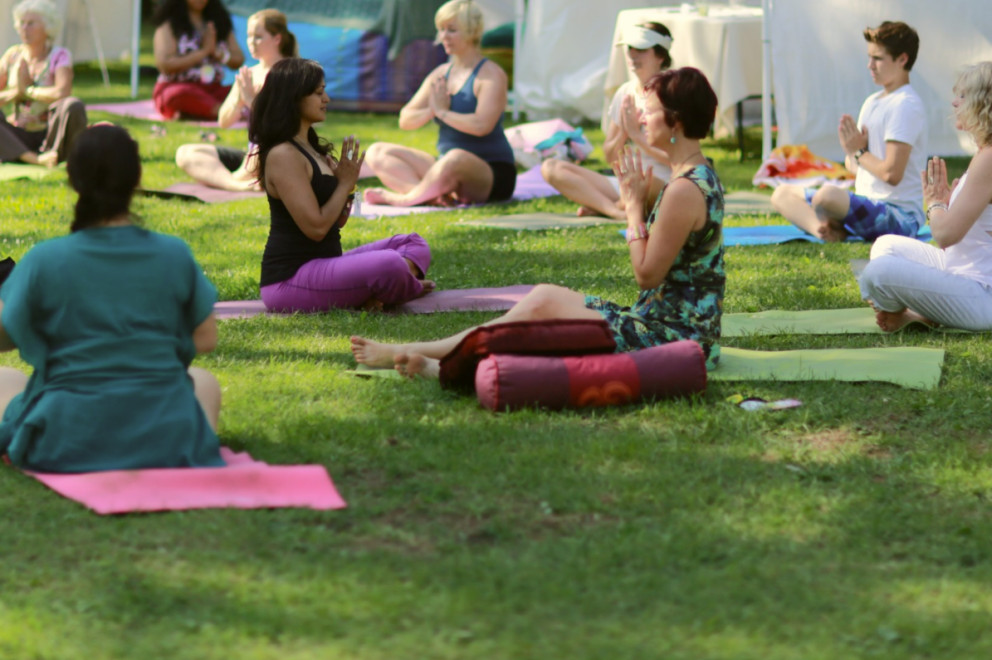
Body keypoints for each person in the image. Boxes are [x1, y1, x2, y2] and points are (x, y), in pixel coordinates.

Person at [352, 67, 725, 378]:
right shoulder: (697, 175)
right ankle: (435, 359)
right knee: (542, 299)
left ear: (674, 121)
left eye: (651, 110)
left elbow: (646, 275)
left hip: (672, 340)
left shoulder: (683, 190)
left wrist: (631, 210)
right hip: (660, 325)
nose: (643, 117)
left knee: (542, 312)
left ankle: (422, 356)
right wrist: (636, 192)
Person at [0, 124, 223, 473]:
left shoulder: (45, 260)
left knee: (4, 379)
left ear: (73, 180)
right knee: (204, 381)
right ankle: (183, 447)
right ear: (136, 180)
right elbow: (205, 338)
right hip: (165, 429)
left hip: (66, 436)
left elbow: (5, 337)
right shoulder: (173, 254)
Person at [250, 58, 433, 313]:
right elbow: (316, 228)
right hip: (289, 281)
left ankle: (387, 288)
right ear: (294, 98)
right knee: (389, 263)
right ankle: (399, 286)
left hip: (327, 265)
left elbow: (342, 220)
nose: (326, 99)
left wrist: (349, 187)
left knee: (414, 243)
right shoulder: (284, 155)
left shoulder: (313, 150)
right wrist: (343, 184)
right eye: (318, 92)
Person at [859, 62, 992, 333]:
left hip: (981, 294)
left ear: (984, 103)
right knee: (885, 246)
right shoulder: (984, 153)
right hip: (961, 272)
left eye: (964, 96)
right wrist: (949, 203)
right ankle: (922, 313)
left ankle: (920, 313)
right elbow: (953, 241)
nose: (955, 103)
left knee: (878, 272)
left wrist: (935, 203)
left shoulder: (989, 158)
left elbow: (944, 236)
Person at [771, 21, 927, 242]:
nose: (870, 65)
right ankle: (824, 230)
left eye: (878, 58)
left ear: (902, 59)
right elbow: (855, 167)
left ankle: (834, 224)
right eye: (869, 57)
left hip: (899, 216)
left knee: (826, 196)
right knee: (782, 193)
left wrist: (859, 152)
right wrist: (852, 152)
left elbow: (891, 174)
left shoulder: (905, 104)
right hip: (864, 202)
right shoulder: (872, 102)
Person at [363, 0, 516, 207]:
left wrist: (442, 112)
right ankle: (431, 197)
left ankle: (405, 199)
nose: (443, 36)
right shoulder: (441, 74)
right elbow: (405, 119)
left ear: (472, 32)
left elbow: (481, 125)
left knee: (455, 158)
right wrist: (432, 110)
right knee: (377, 151)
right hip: (445, 164)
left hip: (491, 173)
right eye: (441, 30)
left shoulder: (491, 75)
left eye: (451, 30)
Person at [542, 22, 673, 221]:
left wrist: (637, 136)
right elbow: (611, 158)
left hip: (663, 184)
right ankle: (614, 210)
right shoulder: (625, 93)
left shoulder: (674, 94)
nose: (633, 56)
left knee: (641, 180)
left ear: (661, 56)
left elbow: (680, 160)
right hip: (626, 181)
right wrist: (624, 132)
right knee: (551, 168)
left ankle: (608, 206)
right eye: (630, 49)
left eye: (641, 49)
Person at [175, 9, 296, 191]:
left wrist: (251, 101)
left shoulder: (292, 73)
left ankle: (238, 180)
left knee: (258, 157)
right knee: (185, 153)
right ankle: (236, 184)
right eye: (249, 36)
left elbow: (283, 127)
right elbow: (224, 121)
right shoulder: (249, 74)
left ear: (277, 39)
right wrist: (240, 100)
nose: (251, 43)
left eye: (258, 37)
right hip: (252, 156)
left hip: (280, 155)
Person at [0, 0, 87, 167]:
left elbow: (62, 92)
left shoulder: (60, 55)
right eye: (21, 23)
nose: (24, 28)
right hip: (18, 134)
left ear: (47, 28)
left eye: (31, 23)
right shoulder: (12, 55)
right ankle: (33, 158)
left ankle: (54, 154)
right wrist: (14, 94)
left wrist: (28, 90)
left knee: (73, 105)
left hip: (50, 133)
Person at [152, 0, 245, 121]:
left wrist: (219, 54)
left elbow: (239, 59)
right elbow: (164, 64)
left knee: (242, 91)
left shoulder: (219, 22)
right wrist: (203, 52)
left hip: (213, 89)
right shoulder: (169, 25)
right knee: (179, 94)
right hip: (178, 87)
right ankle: (224, 112)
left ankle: (202, 112)